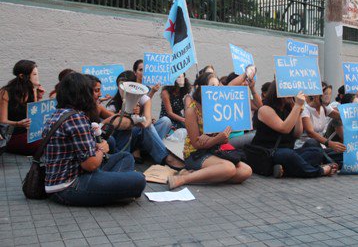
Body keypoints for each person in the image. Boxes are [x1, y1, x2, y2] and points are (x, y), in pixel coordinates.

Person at [43, 72, 146, 206]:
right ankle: (112, 191)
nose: (97, 95)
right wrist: (102, 149)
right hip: (69, 186)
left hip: (68, 177)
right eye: (92, 91)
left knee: (125, 157)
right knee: (139, 179)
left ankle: (109, 189)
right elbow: (90, 164)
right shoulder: (76, 118)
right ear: (82, 94)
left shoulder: (59, 113)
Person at [167, 72, 252, 189]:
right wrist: (217, 139)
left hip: (213, 150)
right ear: (200, 88)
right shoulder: (192, 110)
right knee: (229, 168)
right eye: (212, 86)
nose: (216, 90)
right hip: (194, 154)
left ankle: (200, 174)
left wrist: (219, 138)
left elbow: (231, 85)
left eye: (217, 87)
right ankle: (183, 179)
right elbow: (196, 143)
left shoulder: (218, 106)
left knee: (245, 171)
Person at [251, 81, 337, 178]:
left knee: (316, 152)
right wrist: (296, 106)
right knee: (289, 155)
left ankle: (284, 170)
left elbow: (297, 133)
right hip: (269, 152)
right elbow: (284, 129)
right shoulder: (265, 109)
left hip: (288, 150)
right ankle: (319, 171)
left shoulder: (289, 108)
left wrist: (297, 110)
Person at [0, 60, 45, 156]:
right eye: (34, 74)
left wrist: (38, 96)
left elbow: (35, 117)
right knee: (44, 146)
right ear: (22, 76)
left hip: (29, 134)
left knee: (51, 140)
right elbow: (2, 121)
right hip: (11, 135)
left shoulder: (32, 90)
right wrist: (17, 124)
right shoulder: (6, 92)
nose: (37, 77)